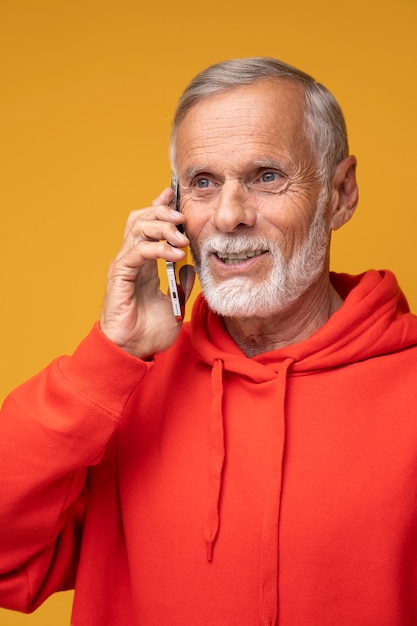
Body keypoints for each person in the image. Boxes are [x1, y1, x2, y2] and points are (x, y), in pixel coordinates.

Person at [1, 57, 417, 626]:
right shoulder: (123, 389)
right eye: (203, 183)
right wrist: (108, 357)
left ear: (340, 193)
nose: (229, 215)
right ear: (173, 211)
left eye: (267, 176)